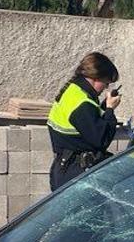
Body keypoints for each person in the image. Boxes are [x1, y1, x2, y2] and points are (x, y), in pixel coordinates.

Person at [47, 52, 123, 190]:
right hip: (76, 171)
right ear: (96, 78)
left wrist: (103, 107)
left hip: (65, 167)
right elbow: (101, 140)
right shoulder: (82, 103)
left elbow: (87, 123)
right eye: (106, 83)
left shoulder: (74, 90)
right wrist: (110, 110)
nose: (106, 88)